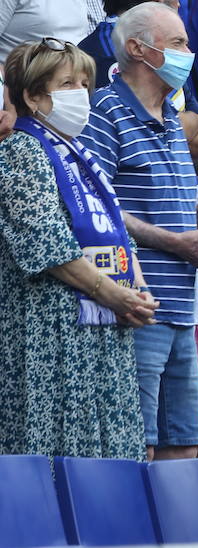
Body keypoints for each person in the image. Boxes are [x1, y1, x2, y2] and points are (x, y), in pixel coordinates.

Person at [81, 2, 198, 459]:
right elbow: (94, 209)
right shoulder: (105, 111)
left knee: (183, 445)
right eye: (179, 43)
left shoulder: (168, 117)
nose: (189, 52)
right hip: (135, 311)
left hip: (184, 308)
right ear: (138, 50)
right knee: (136, 448)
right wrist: (176, 244)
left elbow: (188, 200)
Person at [0, 38, 157, 459]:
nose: (80, 94)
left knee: (110, 470)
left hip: (102, 328)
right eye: (67, 83)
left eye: (84, 83)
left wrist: (136, 289)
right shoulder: (20, 150)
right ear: (32, 96)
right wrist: (113, 294)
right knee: (61, 463)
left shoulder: (79, 152)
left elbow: (114, 232)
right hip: (54, 337)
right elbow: (46, 244)